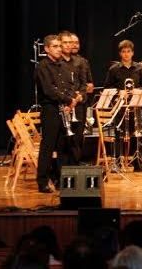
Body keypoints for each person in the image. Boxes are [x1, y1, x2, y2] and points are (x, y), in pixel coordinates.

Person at [35, 34, 82, 193]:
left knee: (63, 147)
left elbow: (69, 85)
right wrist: (68, 100)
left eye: (59, 46)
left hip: (64, 110)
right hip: (50, 110)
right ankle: (42, 181)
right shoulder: (42, 66)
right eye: (54, 46)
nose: (58, 49)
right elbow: (49, 90)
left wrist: (71, 101)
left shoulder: (64, 65)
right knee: (48, 147)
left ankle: (60, 179)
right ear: (47, 49)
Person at [104, 40, 142, 172]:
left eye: (129, 51)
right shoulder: (113, 69)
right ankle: (117, 163)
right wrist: (119, 92)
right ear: (120, 53)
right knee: (119, 134)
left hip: (135, 105)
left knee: (137, 134)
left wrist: (138, 90)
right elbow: (107, 88)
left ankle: (139, 162)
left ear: (132, 53)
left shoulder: (139, 68)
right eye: (124, 52)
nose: (126, 54)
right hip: (120, 107)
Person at [58, 31, 88, 165]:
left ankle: (76, 165)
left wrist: (78, 97)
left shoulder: (80, 62)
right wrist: (68, 101)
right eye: (66, 42)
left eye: (71, 42)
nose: (69, 45)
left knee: (77, 136)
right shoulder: (57, 62)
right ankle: (62, 169)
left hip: (78, 105)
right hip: (64, 105)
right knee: (63, 138)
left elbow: (83, 83)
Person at [69, 33, 95, 134]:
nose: (75, 45)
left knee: (79, 136)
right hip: (68, 102)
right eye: (72, 43)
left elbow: (90, 83)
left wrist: (88, 87)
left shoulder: (83, 61)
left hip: (80, 103)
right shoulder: (61, 61)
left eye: (77, 43)